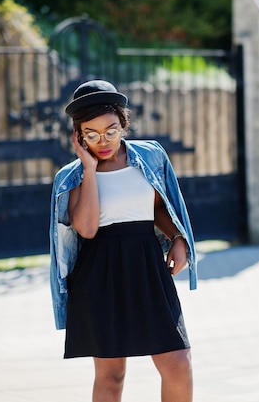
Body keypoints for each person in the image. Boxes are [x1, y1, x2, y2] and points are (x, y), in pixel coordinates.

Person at [49, 79, 197, 402]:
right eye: (92, 134)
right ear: (78, 135)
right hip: (99, 274)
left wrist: (178, 239)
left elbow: (159, 208)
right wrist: (89, 169)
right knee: (112, 376)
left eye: (111, 130)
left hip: (147, 267)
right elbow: (86, 229)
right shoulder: (72, 177)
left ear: (123, 123)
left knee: (178, 363)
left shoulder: (150, 157)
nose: (104, 141)